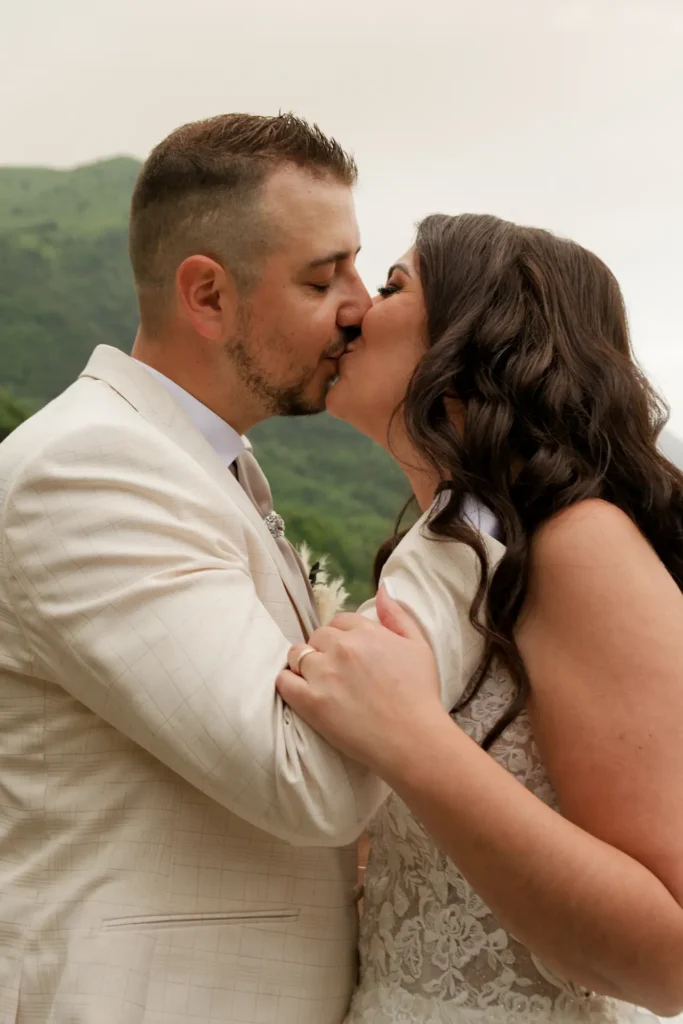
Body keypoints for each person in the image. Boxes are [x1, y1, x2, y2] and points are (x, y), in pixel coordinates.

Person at [0, 113, 467, 1024]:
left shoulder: (202, 462)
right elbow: (307, 780)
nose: (357, 306)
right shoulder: (88, 468)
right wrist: (462, 552)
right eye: (319, 276)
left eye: (356, 266)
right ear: (207, 296)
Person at [277, 213, 683, 1022]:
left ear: (477, 339)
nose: (352, 309)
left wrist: (409, 740)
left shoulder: (581, 546)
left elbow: (672, 959)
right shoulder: (452, 559)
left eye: (392, 285)